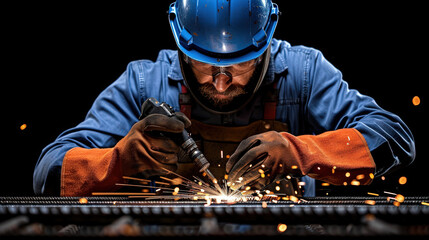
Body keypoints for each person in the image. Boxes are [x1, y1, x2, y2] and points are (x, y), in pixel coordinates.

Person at [33, 0, 415, 197]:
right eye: (202, 65)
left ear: (265, 48)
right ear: (181, 49)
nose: (219, 84)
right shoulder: (142, 82)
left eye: (240, 66)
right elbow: (47, 174)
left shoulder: (304, 73)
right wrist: (116, 163)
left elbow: (394, 137)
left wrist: (305, 153)